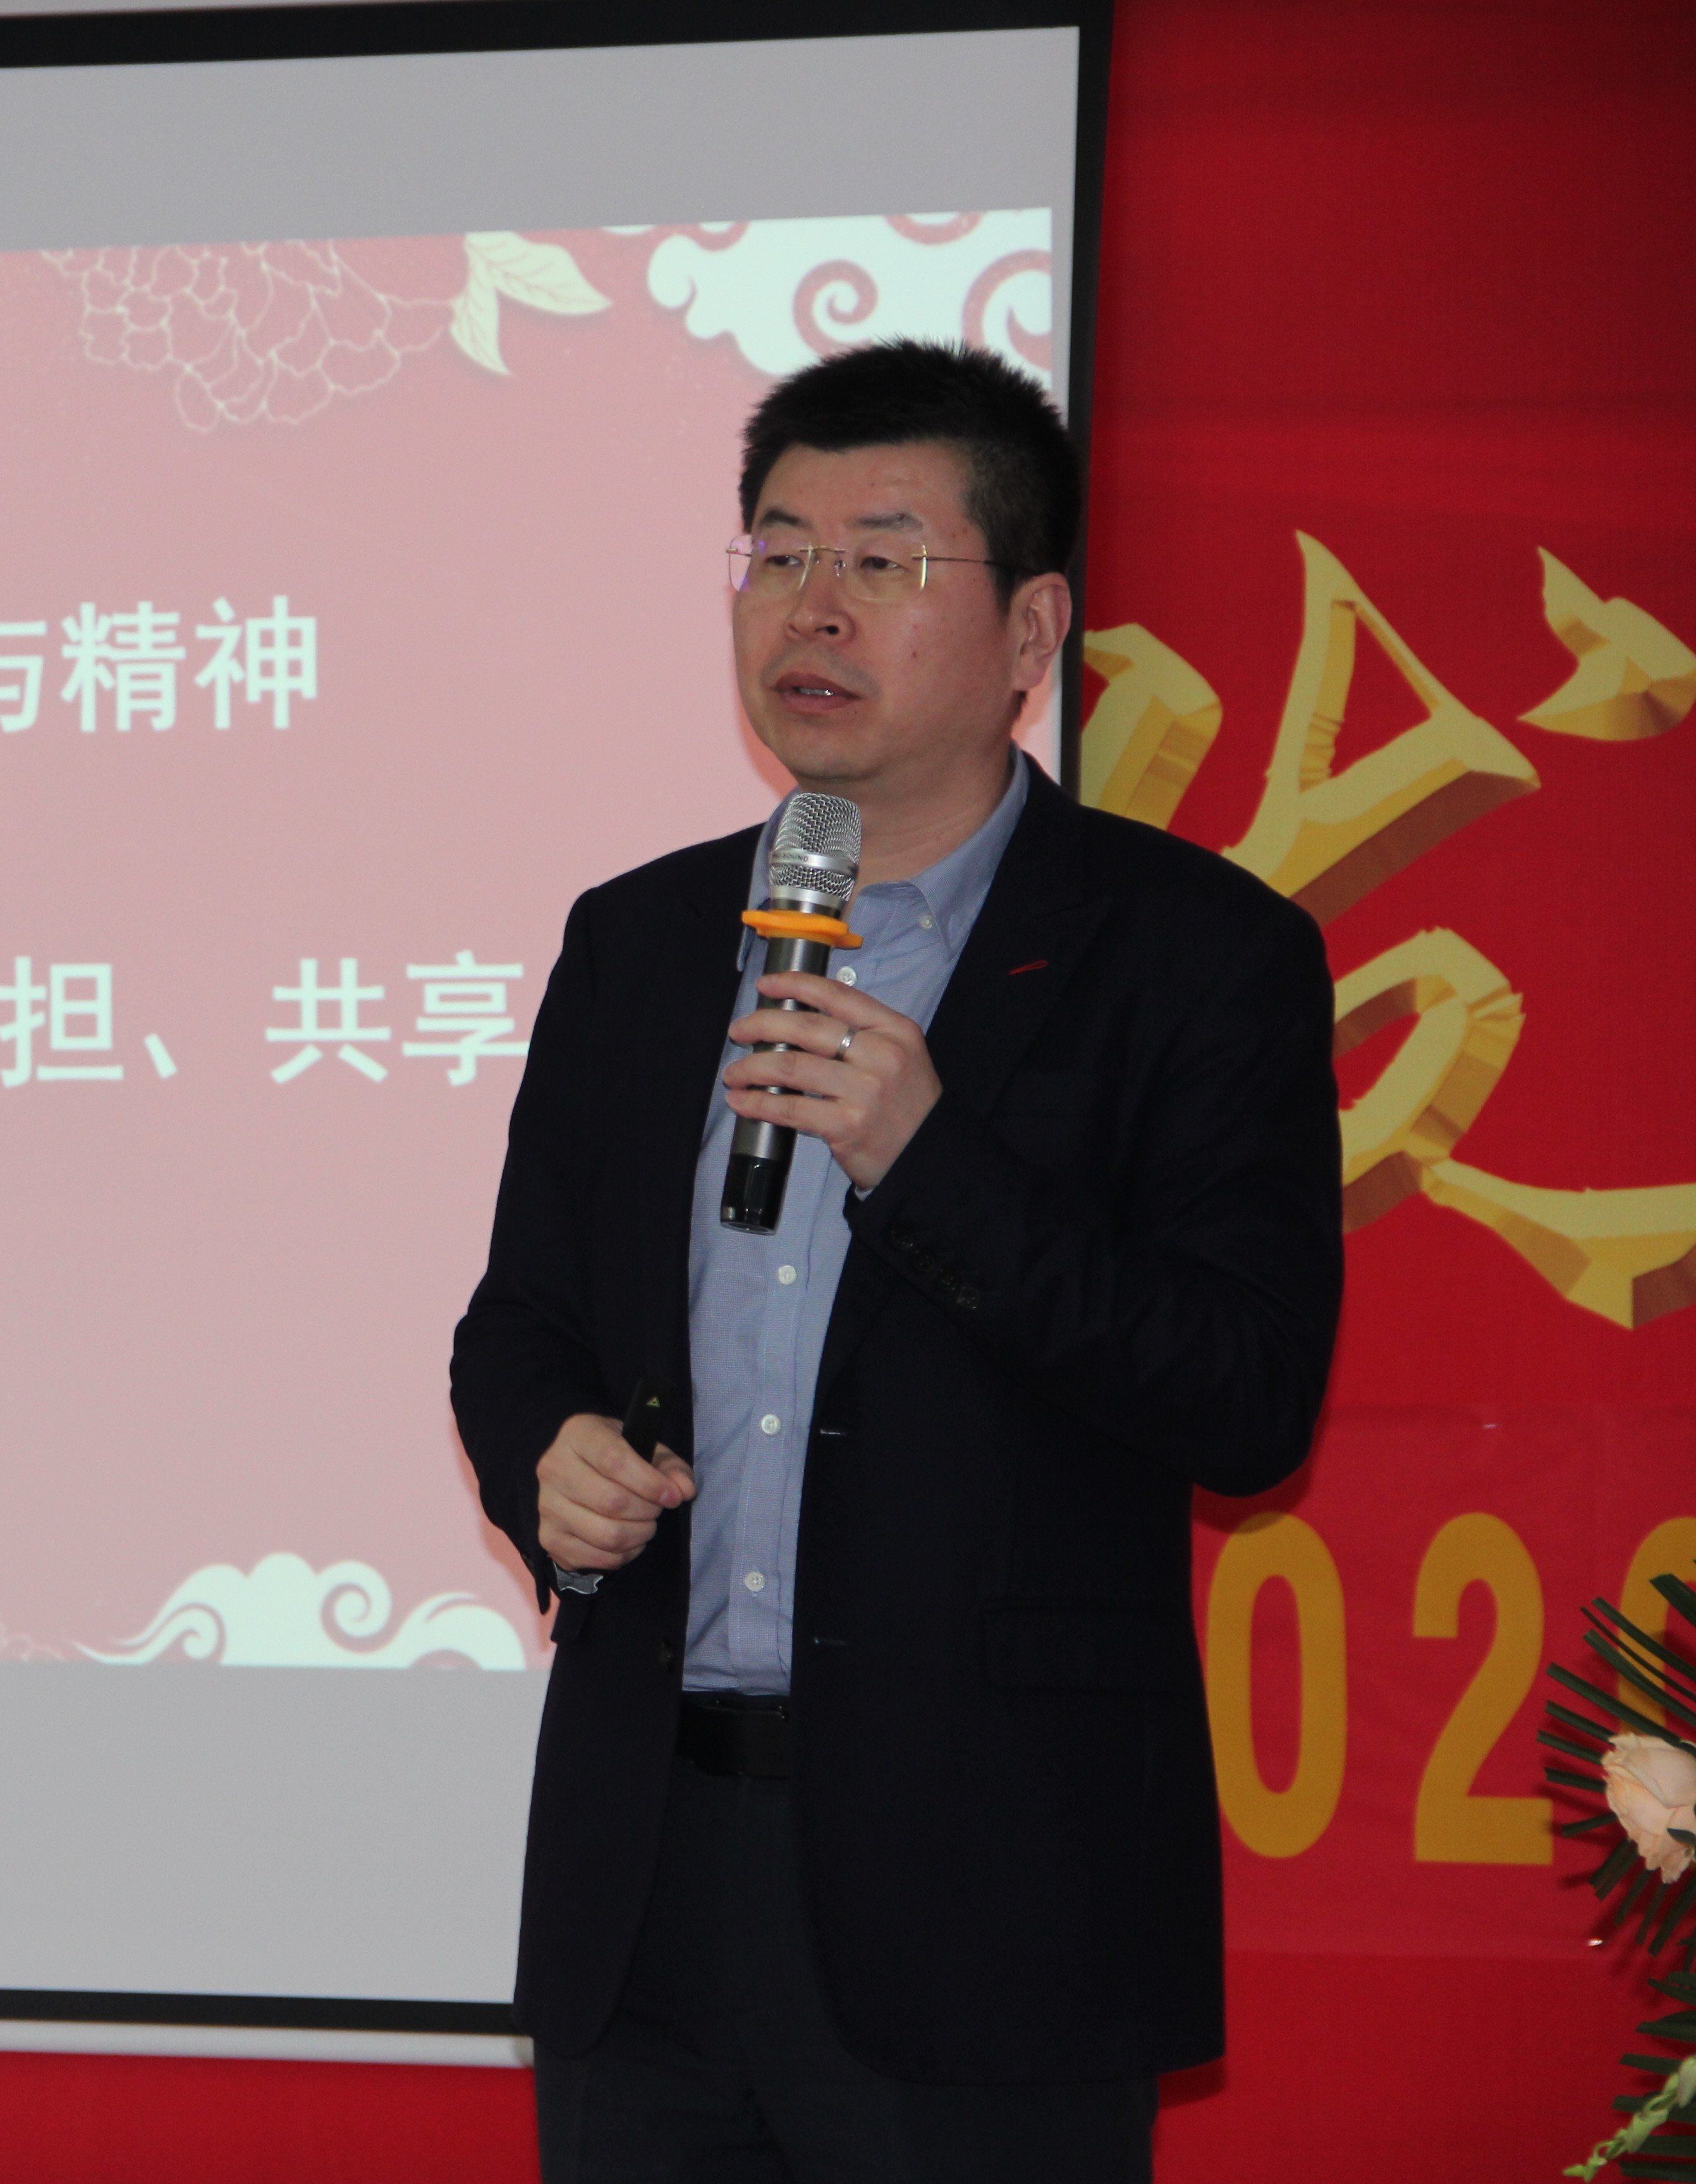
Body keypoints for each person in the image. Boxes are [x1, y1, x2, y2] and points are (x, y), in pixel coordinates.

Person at [447, 338, 1343, 2183]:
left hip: (993, 1907)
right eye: (778, 553)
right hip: (648, 1884)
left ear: (1032, 633)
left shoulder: (1196, 955)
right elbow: (518, 1319)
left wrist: (931, 1160)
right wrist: (551, 1455)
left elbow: (1245, 1395)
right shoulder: (642, 941)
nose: (814, 605)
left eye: (883, 557)